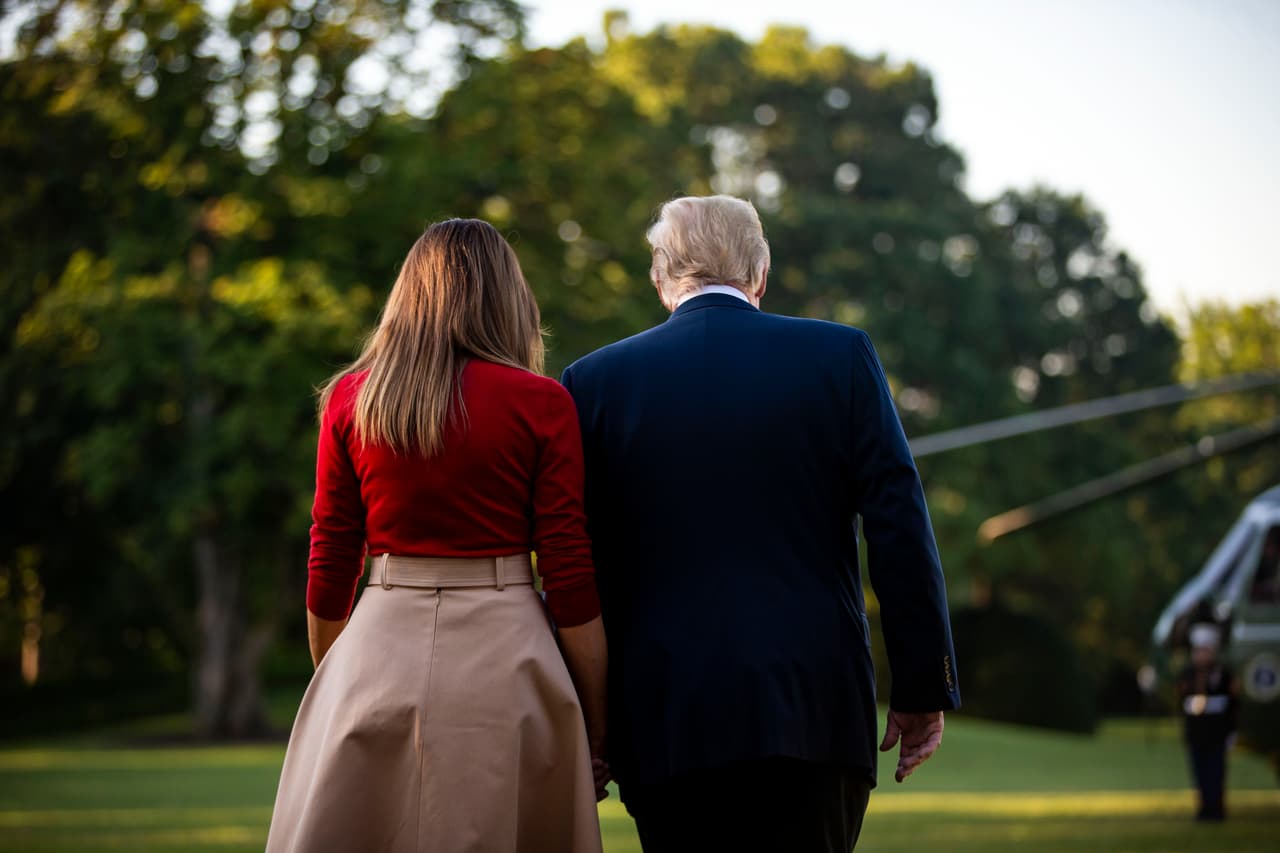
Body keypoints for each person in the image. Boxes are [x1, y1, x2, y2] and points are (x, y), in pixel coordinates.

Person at [561, 195, 961, 852]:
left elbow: (580, 560)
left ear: (662, 275)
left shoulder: (596, 382)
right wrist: (922, 682)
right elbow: (899, 524)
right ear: (760, 273)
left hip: (667, 718)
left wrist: (590, 718)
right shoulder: (840, 357)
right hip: (815, 710)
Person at [266, 219, 609, 853]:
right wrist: (594, 721)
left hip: (377, 645)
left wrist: (336, 675)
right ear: (510, 298)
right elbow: (567, 568)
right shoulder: (541, 402)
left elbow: (331, 556)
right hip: (510, 653)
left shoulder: (352, 400)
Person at [1176, 622, 1239, 822]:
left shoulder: (1223, 673)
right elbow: (1181, 701)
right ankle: (1204, 809)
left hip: (1217, 732)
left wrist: (1231, 730)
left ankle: (1216, 809)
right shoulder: (1188, 673)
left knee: (1216, 773)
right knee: (1200, 773)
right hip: (1197, 732)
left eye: (1206, 650)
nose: (1202, 655)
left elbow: (1232, 703)